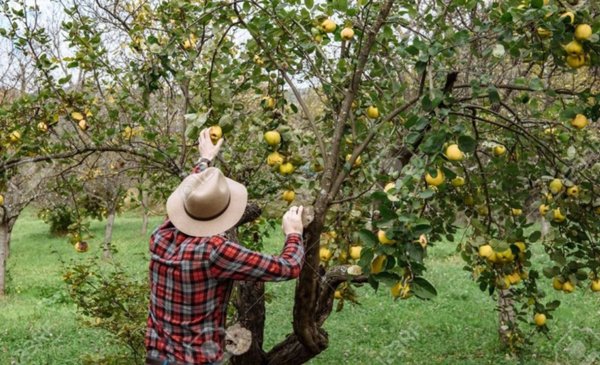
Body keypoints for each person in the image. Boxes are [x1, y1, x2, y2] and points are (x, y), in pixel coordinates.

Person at [145, 128, 305, 365]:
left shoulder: (161, 235)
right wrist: (293, 233)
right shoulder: (214, 252)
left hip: (156, 356)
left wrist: (204, 160)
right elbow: (288, 267)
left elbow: (192, 199)